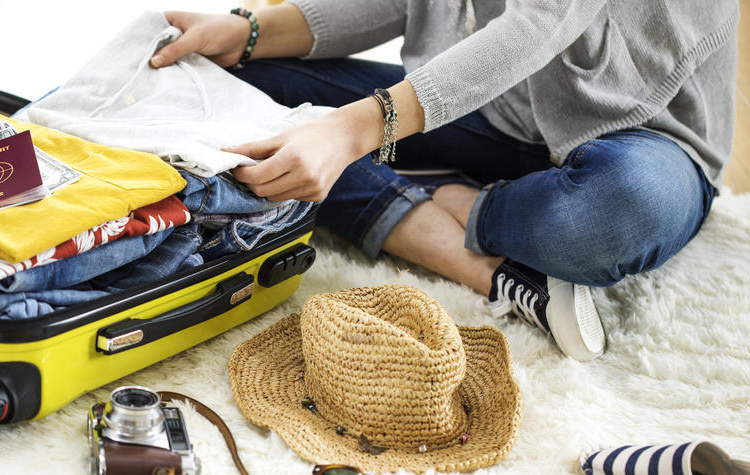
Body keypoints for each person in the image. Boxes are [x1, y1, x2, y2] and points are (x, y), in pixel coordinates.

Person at [149, 0, 738, 361]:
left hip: (644, 142)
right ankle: (485, 267)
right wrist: (249, 31)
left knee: (616, 213)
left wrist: (357, 131)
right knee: (241, 87)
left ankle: (457, 197)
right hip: (496, 110)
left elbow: (542, 21)